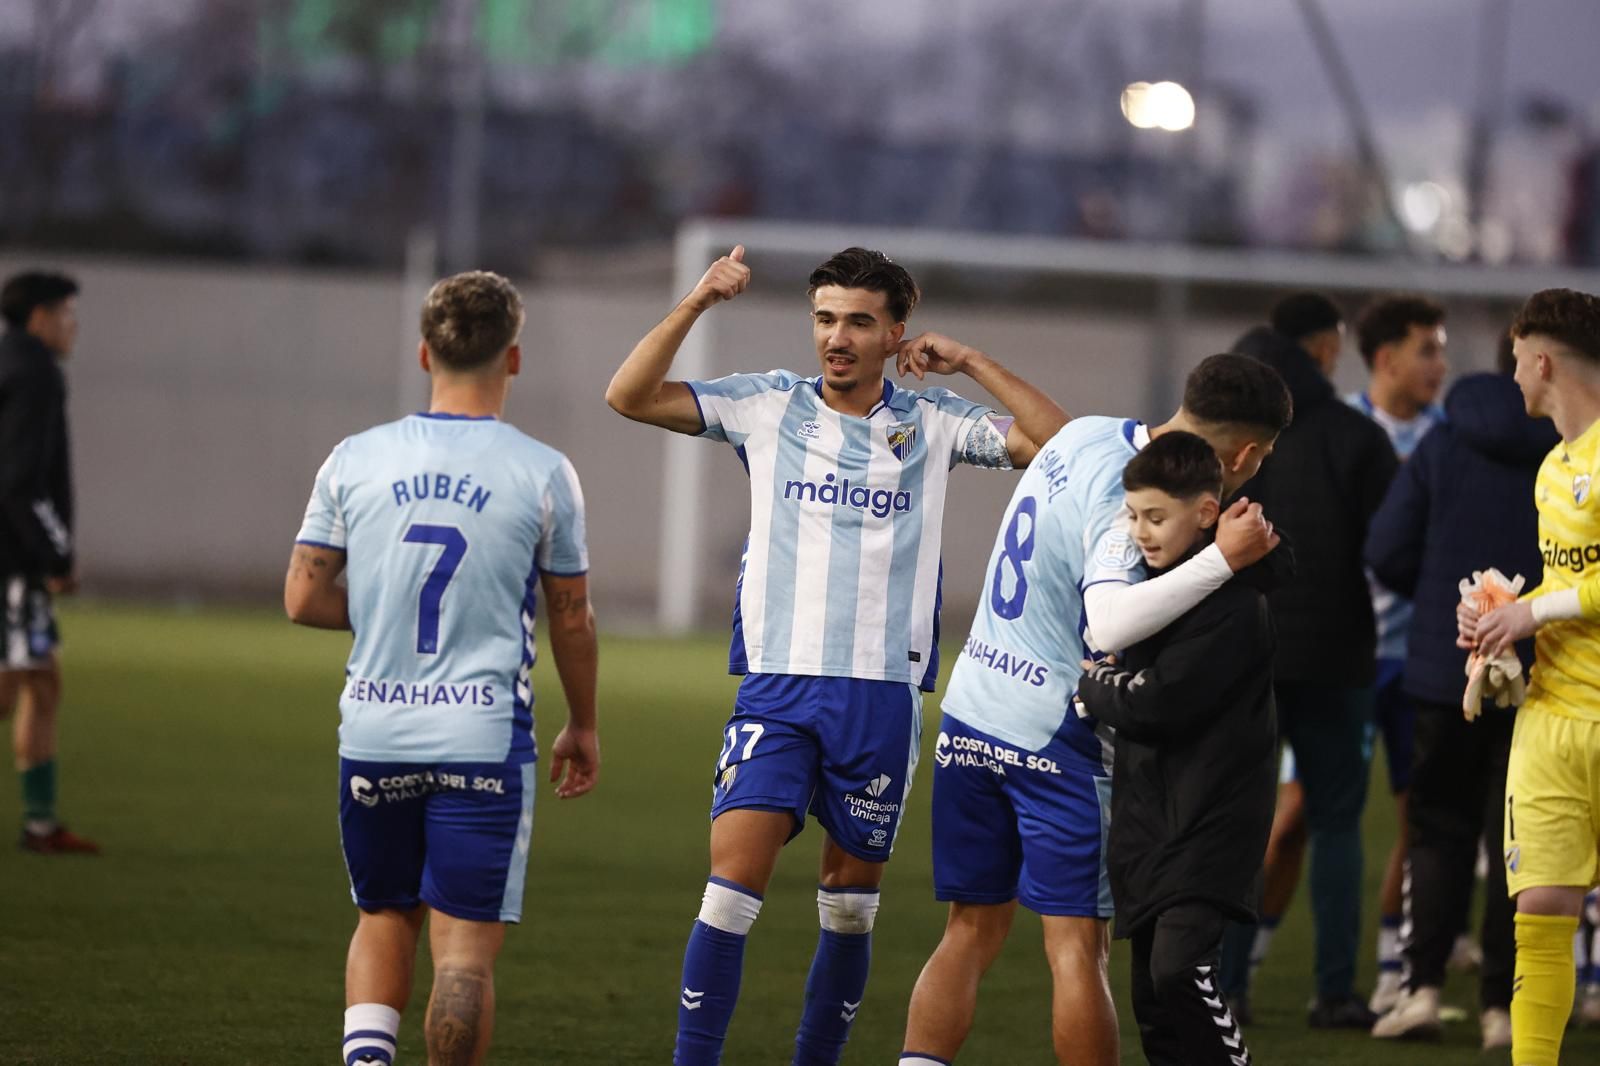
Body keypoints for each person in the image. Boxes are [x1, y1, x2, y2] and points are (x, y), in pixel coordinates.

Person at [605, 245, 1068, 1066]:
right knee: (730, 890)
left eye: (859, 321)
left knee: (849, 906)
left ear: (896, 333)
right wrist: (698, 301)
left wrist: (967, 361)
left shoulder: (934, 421)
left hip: (881, 696)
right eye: (825, 318)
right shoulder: (766, 406)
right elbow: (629, 395)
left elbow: (1057, 446)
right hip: (778, 687)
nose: (837, 337)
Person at [899, 353, 1289, 1066]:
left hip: (974, 709)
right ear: (1248, 454)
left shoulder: (1086, 436)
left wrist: (973, 362)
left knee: (968, 932)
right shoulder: (1137, 498)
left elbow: (1044, 426)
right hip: (1055, 734)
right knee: (1077, 949)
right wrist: (1222, 561)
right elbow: (1108, 623)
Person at [286, 271, 601, 1066]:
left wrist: (385, 611)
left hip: (376, 731)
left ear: (425, 351)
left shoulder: (353, 459)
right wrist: (584, 723)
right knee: (462, 956)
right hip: (482, 738)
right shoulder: (544, 471)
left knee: (383, 915)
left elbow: (301, 597)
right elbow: (571, 616)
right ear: (515, 358)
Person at [1075, 431, 1290, 1066]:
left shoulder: (1235, 603)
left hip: (1212, 820)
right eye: (1133, 514)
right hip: (1150, 819)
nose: (1140, 532)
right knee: (1151, 999)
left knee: (1179, 973)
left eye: (1156, 517)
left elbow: (1154, 701)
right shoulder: (1153, 591)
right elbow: (1138, 687)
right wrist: (1114, 683)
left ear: (1205, 512)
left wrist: (1094, 683)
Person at [1364, 332, 1554, 1046]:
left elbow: (1384, 549)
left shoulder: (1441, 447)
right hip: (1540, 673)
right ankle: (1502, 1009)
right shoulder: (1560, 455)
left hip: (1444, 675)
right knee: (1518, 843)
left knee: (1436, 831)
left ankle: (1421, 991)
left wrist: (1451, 603)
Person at [1225, 299, 1399, 1028]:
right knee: (1335, 824)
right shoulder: (1358, 438)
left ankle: (1224, 990)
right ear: (1326, 348)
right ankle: (1334, 992)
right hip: (1338, 656)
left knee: (1237, 825)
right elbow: (1392, 547)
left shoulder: (1229, 435)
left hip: (1245, 661)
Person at [1458, 287, 1600, 1066]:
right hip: (1550, 720)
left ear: (1542, 360)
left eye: (1516, 362)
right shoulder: (1551, 468)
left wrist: (1536, 616)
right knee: (1540, 914)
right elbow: (1567, 581)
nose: (1513, 379)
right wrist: (1501, 615)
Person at [1347, 294, 1449, 1012]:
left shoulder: (1449, 438)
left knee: (1419, 816)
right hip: (1345, 659)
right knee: (1293, 817)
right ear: (1386, 359)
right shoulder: (1343, 431)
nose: (1440, 366)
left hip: (1418, 661)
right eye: (1428, 350)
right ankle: (1239, 967)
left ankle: (1394, 970)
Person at [0, 270, 97, 855]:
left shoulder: (10, 362)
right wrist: (56, 553)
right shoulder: (34, 373)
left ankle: (40, 825)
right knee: (10, 688)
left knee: (41, 680)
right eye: (64, 311)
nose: (73, 324)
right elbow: (17, 484)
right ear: (38, 317)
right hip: (10, 559)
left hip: (15, 558)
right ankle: (39, 824)